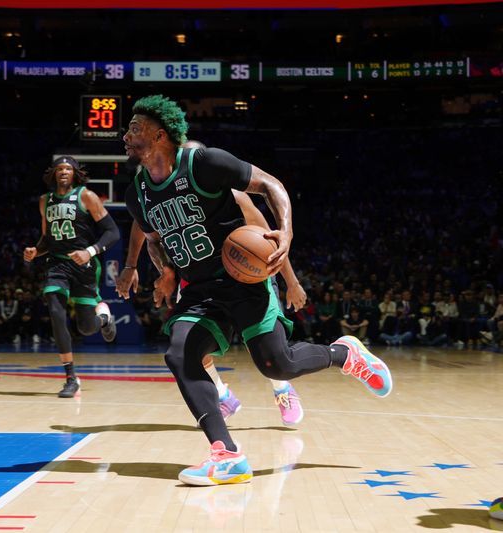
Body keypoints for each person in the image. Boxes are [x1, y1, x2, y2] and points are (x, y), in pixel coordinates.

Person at [121, 95, 392, 486]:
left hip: (244, 281)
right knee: (180, 354)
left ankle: (343, 354)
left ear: (160, 135)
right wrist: (165, 271)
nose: (126, 134)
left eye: (135, 128)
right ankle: (227, 456)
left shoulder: (205, 164)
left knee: (276, 364)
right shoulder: (138, 193)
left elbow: (271, 185)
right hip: (200, 289)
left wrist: (287, 231)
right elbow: (153, 239)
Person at [116, 140, 307, 427]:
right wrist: (146, 268)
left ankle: (281, 387)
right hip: (197, 279)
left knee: (267, 351)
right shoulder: (155, 195)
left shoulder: (235, 197)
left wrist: (291, 282)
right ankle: (221, 395)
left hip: (244, 278)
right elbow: (142, 231)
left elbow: (269, 242)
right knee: (188, 344)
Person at [23, 156, 120, 397]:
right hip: (56, 265)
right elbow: (47, 240)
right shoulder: (45, 201)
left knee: (86, 328)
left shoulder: (86, 196)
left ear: (75, 173)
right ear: (54, 173)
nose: (63, 172)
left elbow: (112, 232)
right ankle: (70, 377)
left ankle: (104, 319)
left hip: (83, 265)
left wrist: (89, 252)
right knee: (56, 314)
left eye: (68, 168)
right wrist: (36, 250)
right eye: (59, 168)